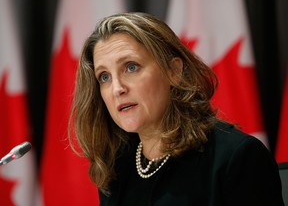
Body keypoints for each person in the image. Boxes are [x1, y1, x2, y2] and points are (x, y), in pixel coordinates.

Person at [69, 12, 284, 206]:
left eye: (131, 67)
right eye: (104, 77)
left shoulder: (236, 158)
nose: (117, 88)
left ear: (173, 71)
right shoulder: (116, 167)